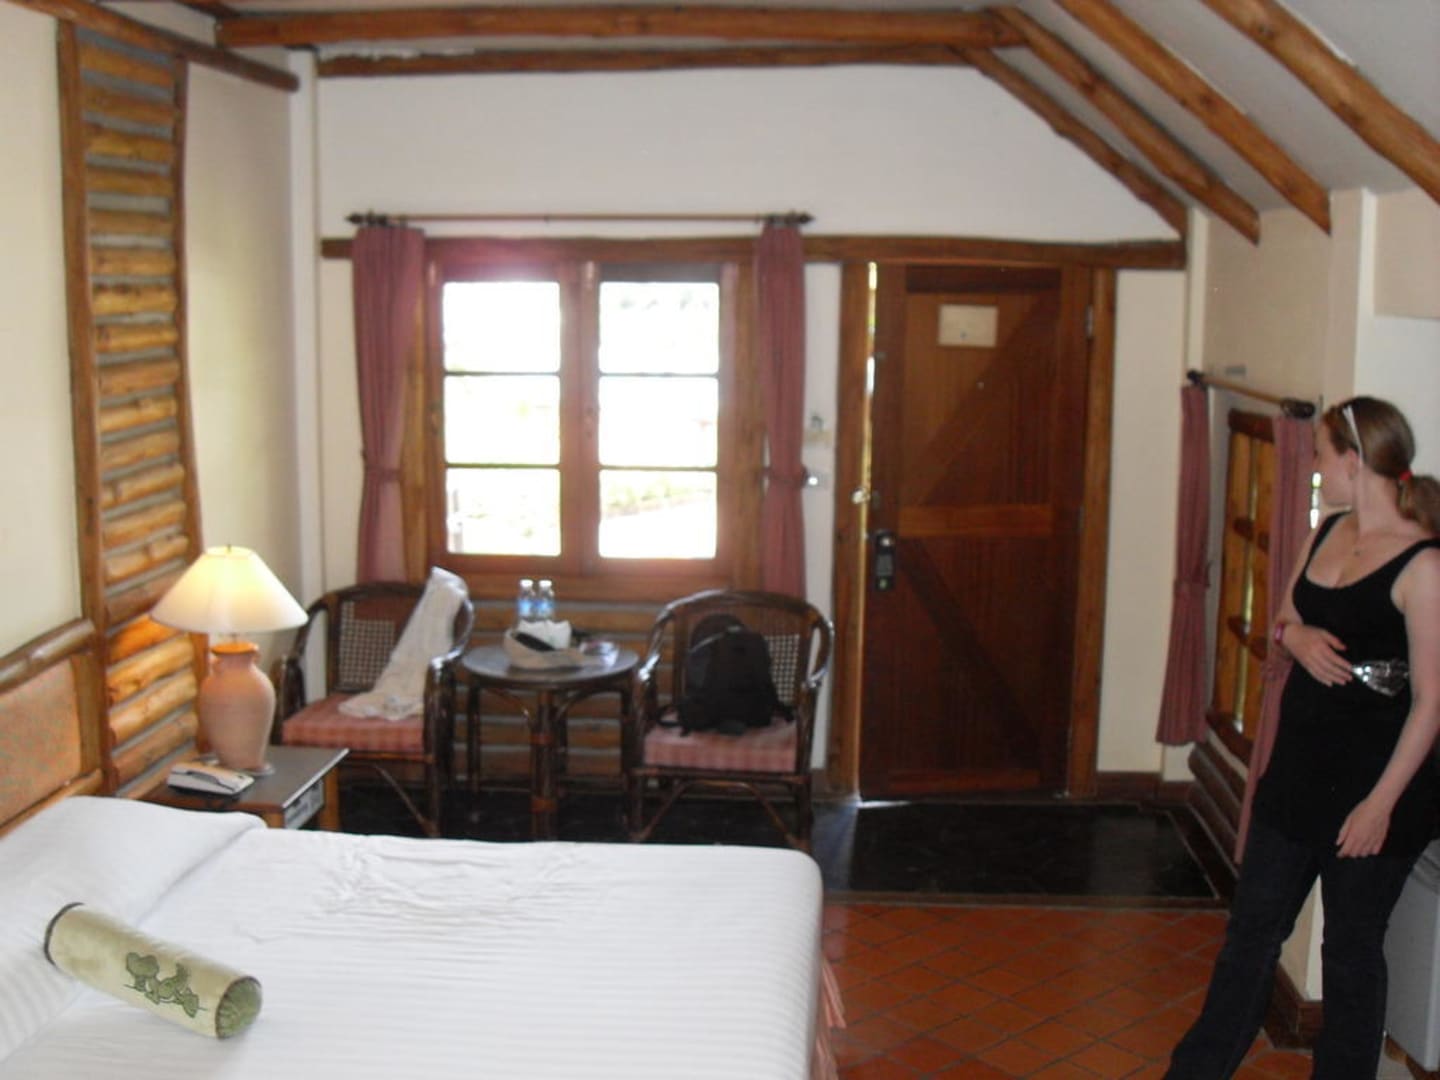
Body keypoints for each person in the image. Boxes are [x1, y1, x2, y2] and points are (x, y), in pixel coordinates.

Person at [1166, 396, 1440, 1079]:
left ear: (1354, 461)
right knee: (1251, 935)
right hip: (1297, 776)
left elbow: (1431, 704)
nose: (1314, 466)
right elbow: (1283, 618)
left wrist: (1379, 807)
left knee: (1350, 951)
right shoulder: (1330, 528)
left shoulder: (1424, 566)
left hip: (1377, 792)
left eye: (1320, 454)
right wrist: (1299, 636)